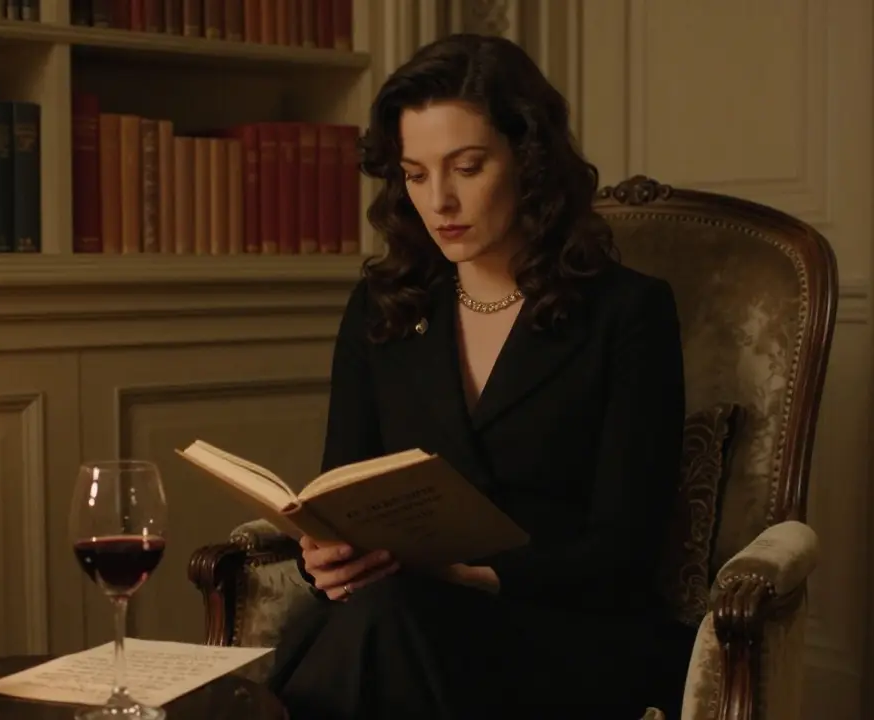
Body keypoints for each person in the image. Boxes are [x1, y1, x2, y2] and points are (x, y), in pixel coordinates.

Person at [266, 32, 695, 719]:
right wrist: (324, 561)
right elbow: (338, 494)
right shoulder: (382, 309)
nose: (439, 201)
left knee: (377, 628)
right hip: (398, 619)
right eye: (414, 173)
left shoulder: (628, 312)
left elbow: (623, 548)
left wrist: (471, 576)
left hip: (566, 630)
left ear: (528, 163)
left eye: (466, 167)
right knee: (366, 621)